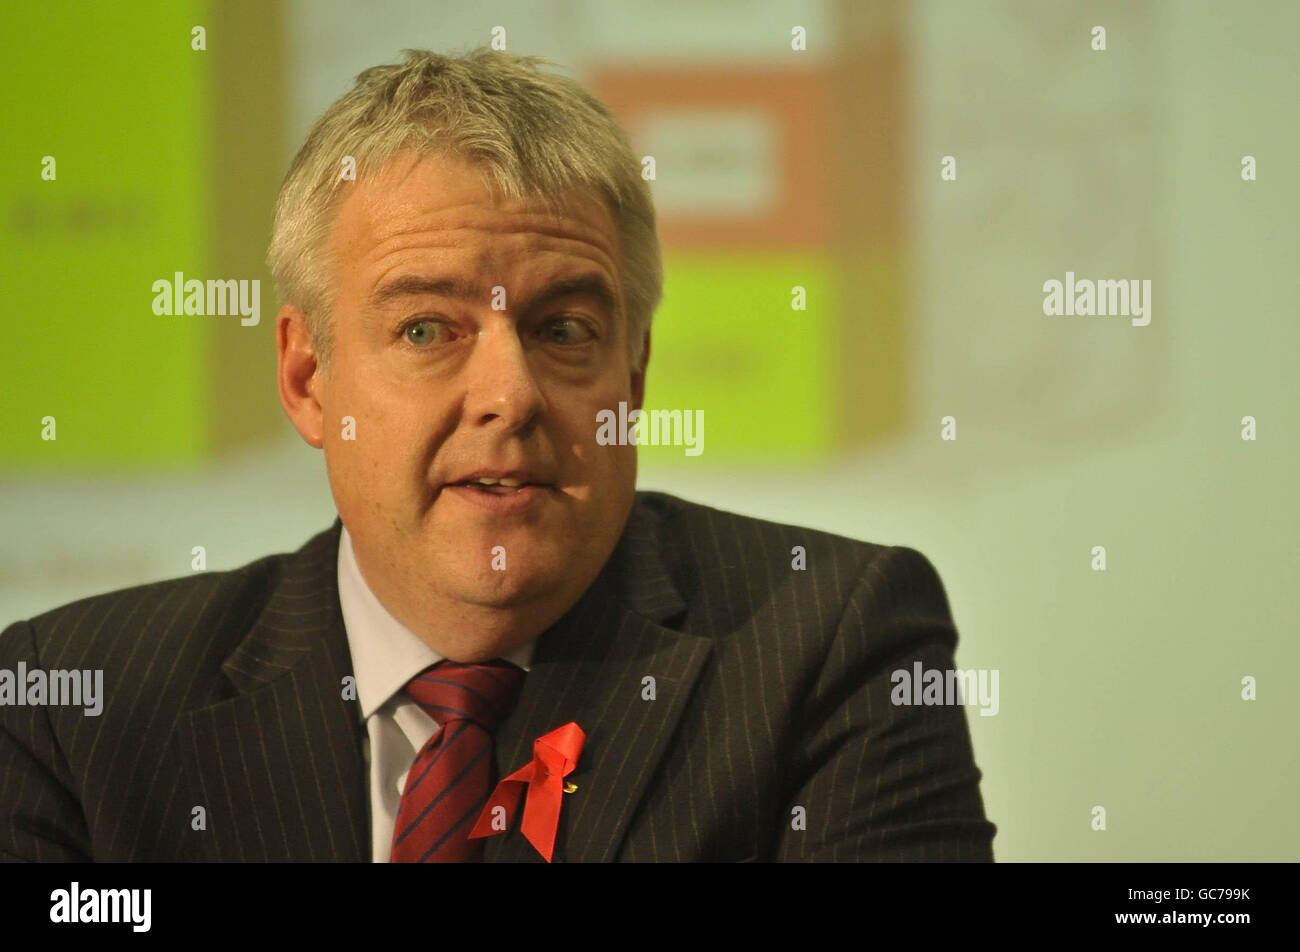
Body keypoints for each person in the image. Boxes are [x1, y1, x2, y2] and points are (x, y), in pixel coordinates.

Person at [0, 47, 995, 862]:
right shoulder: (69, 704)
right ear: (308, 379)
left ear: (633, 377)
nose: (511, 395)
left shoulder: (827, 646)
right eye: (428, 329)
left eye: (564, 330)